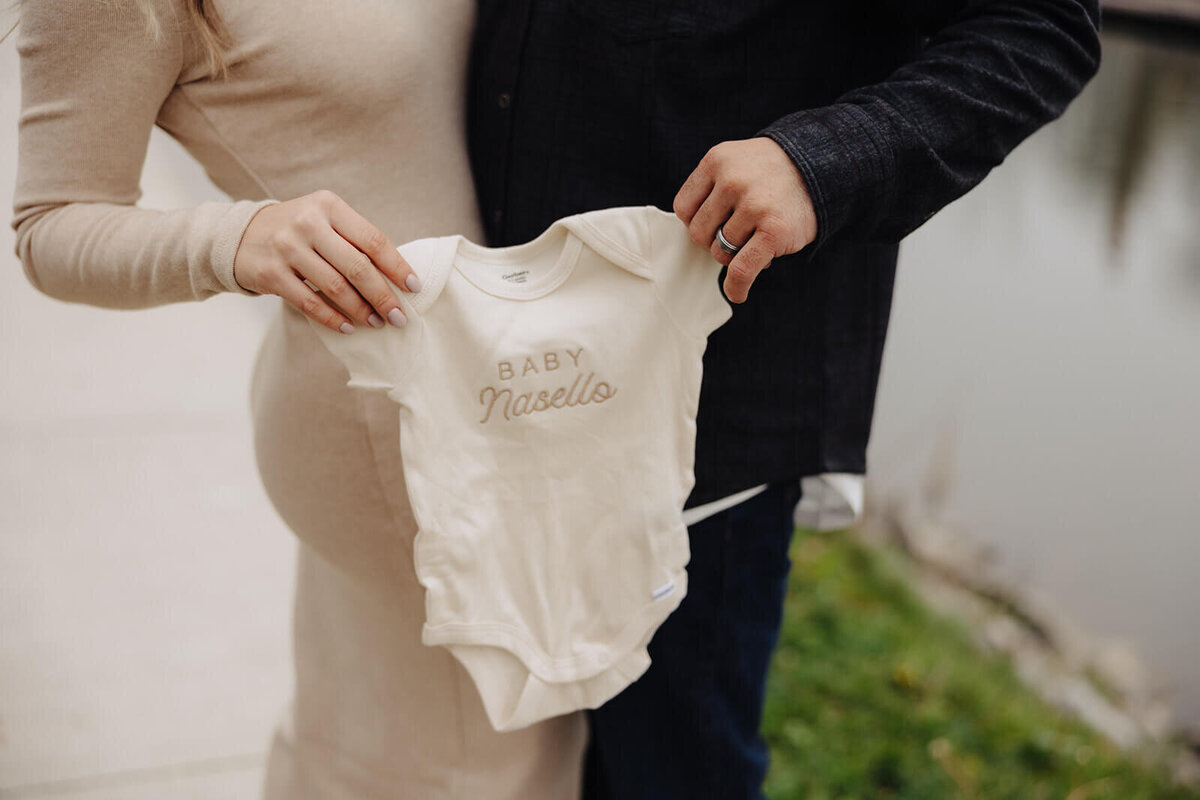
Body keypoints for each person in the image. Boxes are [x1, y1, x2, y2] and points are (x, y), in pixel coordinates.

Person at [465, 1, 1102, 798]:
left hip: (707, 424)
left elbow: (1039, 27)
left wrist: (818, 161)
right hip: (519, 385)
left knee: (674, 768)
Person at [10, 0, 586, 797]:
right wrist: (239, 239)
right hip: (395, 416)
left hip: (515, 384)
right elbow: (51, 224)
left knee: (370, 734)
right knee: (472, 759)